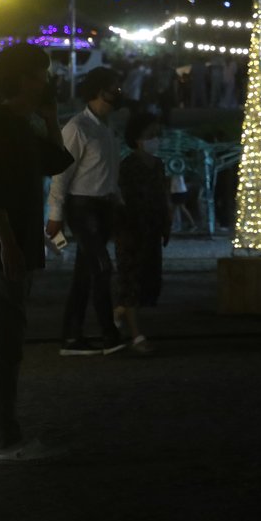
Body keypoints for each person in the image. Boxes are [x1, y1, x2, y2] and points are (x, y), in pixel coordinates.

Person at [0, 43, 73, 463]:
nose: (47, 80)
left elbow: (58, 161)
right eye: (40, 74)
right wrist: (7, 243)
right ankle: (5, 439)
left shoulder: (21, 126)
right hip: (0, 251)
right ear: (23, 78)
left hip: (8, 247)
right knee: (4, 347)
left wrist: (50, 119)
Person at [46, 67, 127, 357]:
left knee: (85, 274)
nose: (116, 95)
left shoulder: (105, 127)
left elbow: (108, 170)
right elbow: (61, 174)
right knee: (102, 268)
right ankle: (109, 334)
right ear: (97, 90)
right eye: (112, 89)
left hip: (102, 206)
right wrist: (55, 214)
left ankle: (72, 335)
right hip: (83, 207)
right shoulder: (77, 128)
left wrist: (117, 200)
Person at [113, 114, 167, 354]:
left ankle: (120, 312)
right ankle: (137, 337)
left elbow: (161, 198)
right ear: (137, 139)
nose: (156, 140)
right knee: (131, 280)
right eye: (150, 135)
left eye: (158, 134)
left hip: (152, 230)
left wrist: (165, 224)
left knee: (148, 281)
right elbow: (125, 200)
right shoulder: (128, 166)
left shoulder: (158, 165)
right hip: (131, 230)